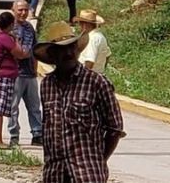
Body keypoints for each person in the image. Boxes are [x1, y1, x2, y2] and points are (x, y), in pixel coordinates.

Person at [34, 22, 125, 183]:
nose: (68, 53)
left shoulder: (96, 82)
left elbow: (115, 128)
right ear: (53, 55)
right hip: (54, 173)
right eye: (62, 50)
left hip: (87, 173)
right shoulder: (47, 85)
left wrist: (98, 161)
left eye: (71, 48)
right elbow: (48, 127)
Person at [0, 12, 28, 148]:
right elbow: (20, 53)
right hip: (3, 77)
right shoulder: (5, 39)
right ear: (10, 24)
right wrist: (16, 40)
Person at [8, 0, 42, 147]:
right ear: (13, 10)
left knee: (34, 106)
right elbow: (17, 53)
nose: (23, 13)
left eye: (25, 10)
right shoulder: (10, 29)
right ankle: (14, 135)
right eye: (20, 10)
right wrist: (24, 53)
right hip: (15, 74)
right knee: (13, 107)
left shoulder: (29, 28)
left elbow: (34, 50)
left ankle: (37, 134)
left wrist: (35, 69)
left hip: (29, 74)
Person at [75, 9, 112, 74]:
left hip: (89, 77)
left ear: (85, 25)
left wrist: (82, 77)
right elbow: (107, 55)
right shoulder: (100, 36)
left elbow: (89, 62)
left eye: (80, 23)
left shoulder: (92, 39)